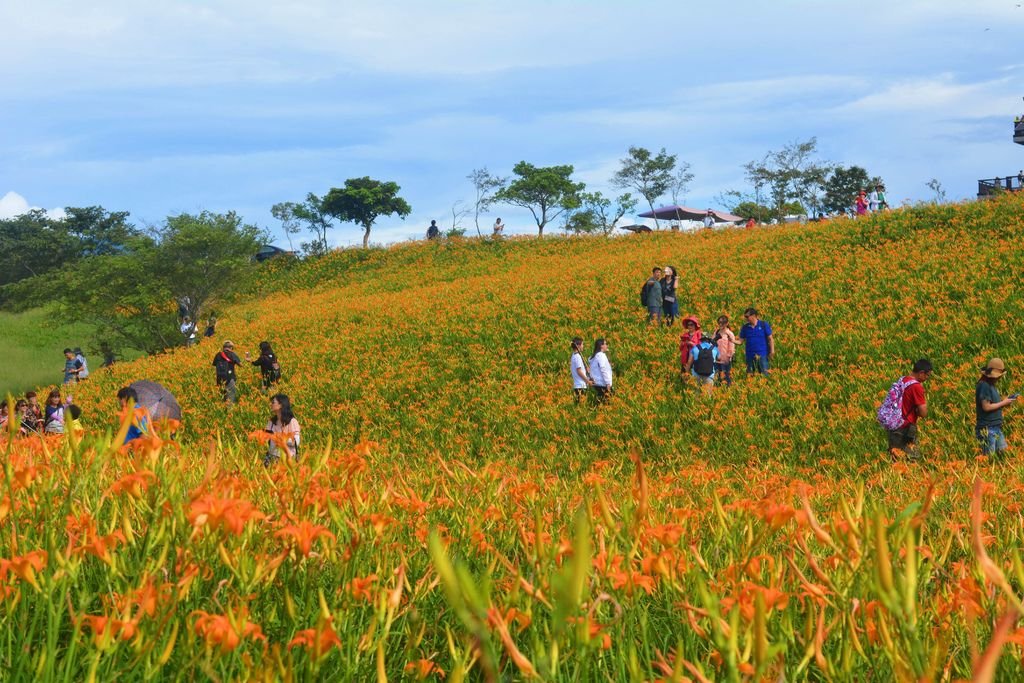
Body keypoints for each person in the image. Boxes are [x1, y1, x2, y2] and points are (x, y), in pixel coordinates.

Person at [881, 359, 932, 459]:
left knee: (895, 459)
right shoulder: (916, 387)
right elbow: (923, 413)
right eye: (927, 375)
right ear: (921, 373)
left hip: (894, 425)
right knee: (912, 459)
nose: (927, 378)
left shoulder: (903, 380)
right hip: (906, 428)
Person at [976, 358, 1017, 457]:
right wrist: (1003, 403)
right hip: (987, 429)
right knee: (989, 459)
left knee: (1004, 455)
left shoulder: (991, 385)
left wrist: (1005, 402)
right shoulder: (984, 386)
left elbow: (993, 404)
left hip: (996, 427)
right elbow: (986, 407)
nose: (999, 378)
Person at [264, 393, 301, 465]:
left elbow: (296, 441)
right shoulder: (271, 422)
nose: (271, 404)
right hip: (273, 459)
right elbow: (267, 439)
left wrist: (282, 439)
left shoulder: (292, 421)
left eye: (273, 402)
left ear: (281, 405)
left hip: (288, 459)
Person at [739, 308, 774, 376]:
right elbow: (740, 341)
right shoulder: (745, 327)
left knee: (765, 375)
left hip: (762, 355)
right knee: (750, 376)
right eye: (745, 317)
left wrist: (772, 351)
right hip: (750, 356)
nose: (745, 318)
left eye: (747, 316)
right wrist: (731, 339)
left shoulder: (763, 325)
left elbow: (770, 339)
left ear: (753, 316)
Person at [212, 340, 243, 405]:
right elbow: (241, 365)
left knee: (222, 398)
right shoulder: (232, 354)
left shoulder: (218, 355)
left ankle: (222, 412)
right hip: (230, 378)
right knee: (230, 398)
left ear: (223, 347)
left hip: (219, 379)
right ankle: (230, 413)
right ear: (231, 348)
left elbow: (214, 364)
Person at [712, 315, 739, 386]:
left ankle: (726, 391)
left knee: (726, 378)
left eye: (723, 323)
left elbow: (731, 347)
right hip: (716, 359)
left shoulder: (729, 334)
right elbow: (712, 343)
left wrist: (728, 357)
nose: (720, 324)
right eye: (719, 322)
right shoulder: (716, 332)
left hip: (725, 360)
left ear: (727, 323)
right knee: (716, 378)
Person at [588, 339, 613, 404]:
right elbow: (603, 369)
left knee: (601, 401)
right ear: (601, 346)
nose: (607, 346)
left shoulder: (594, 356)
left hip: (597, 383)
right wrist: (608, 383)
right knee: (608, 401)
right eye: (605, 344)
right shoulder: (601, 355)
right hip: (603, 383)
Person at [570, 337, 594, 403]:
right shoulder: (577, 356)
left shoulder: (574, 355)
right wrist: (587, 381)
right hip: (580, 386)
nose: (583, 346)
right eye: (582, 344)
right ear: (578, 346)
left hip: (578, 385)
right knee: (581, 405)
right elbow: (579, 371)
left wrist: (587, 370)